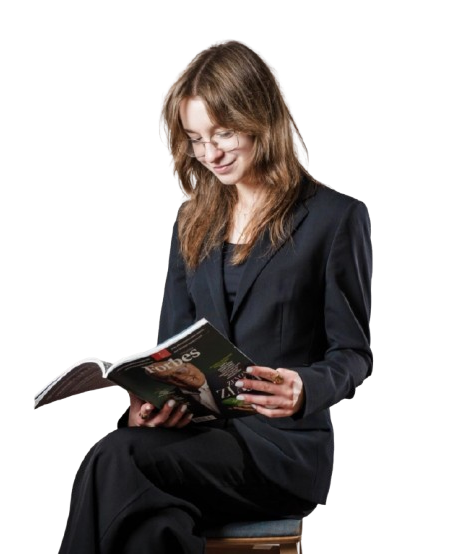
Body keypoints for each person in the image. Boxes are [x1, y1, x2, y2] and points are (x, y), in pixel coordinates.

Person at [58, 38, 373, 553]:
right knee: (149, 520)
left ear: (261, 119)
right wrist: (151, 403)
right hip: (197, 436)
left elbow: (354, 354)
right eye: (196, 138)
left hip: (281, 452)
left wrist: (305, 389)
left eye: (223, 133)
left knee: (116, 457)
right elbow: (170, 348)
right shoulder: (193, 220)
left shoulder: (335, 218)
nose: (210, 154)